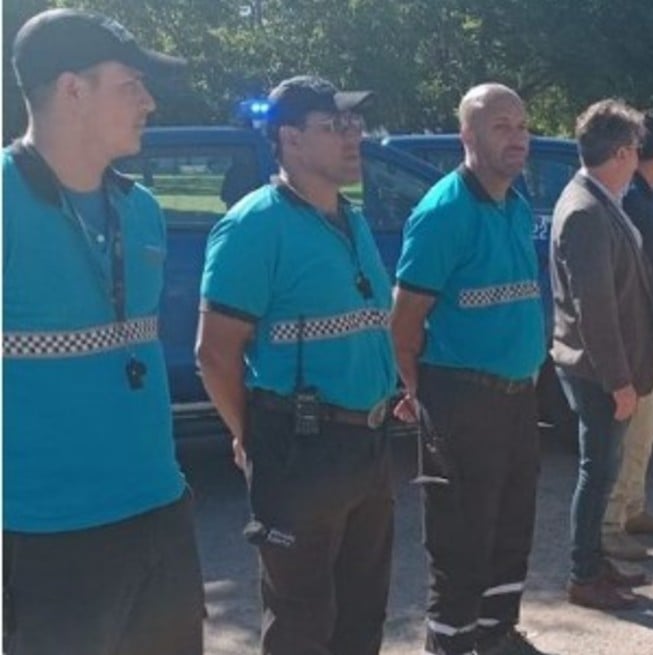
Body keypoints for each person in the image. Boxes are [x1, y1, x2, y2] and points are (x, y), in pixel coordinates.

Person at [2, 10, 204, 655]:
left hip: (161, 514)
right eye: (131, 85)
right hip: (45, 537)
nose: (149, 102)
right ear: (72, 89)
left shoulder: (140, 209)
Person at [197, 75, 397, 655]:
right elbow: (214, 353)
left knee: (362, 613)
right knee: (301, 623)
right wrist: (249, 434)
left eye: (354, 123)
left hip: (369, 443)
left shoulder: (350, 218)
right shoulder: (254, 225)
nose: (352, 136)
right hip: (299, 448)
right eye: (334, 126)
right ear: (290, 139)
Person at [390, 83, 548, 655]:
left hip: (517, 397)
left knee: (511, 523)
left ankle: (496, 630)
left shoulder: (515, 204)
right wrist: (417, 393)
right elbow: (404, 322)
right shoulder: (444, 213)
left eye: (522, 126)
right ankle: (451, 642)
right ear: (468, 136)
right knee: (462, 534)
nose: (517, 138)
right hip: (462, 400)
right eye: (501, 126)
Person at [549, 99, 653, 610]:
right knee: (597, 474)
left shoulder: (598, 199)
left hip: (604, 368)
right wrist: (619, 381)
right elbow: (595, 310)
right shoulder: (586, 211)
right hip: (597, 372)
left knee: (603, 471)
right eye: (635, 149)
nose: (638, 160)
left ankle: (593, 562)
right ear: (619, 153)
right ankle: (583, 573)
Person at [602, 110, 653, 562]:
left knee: (648, 427)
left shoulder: (651, 197)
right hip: (636, 333)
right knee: (631, 430)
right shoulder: (631, 199)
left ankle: (633, 507)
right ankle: (610, 523)